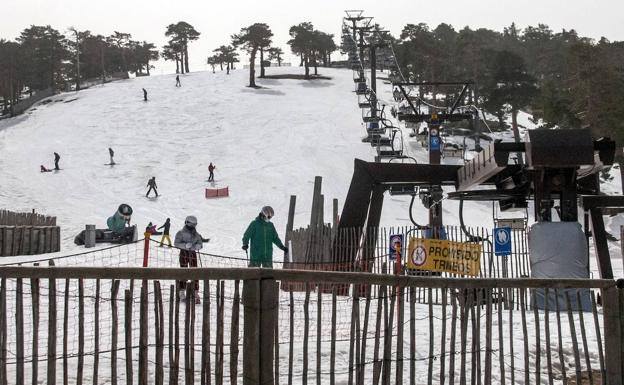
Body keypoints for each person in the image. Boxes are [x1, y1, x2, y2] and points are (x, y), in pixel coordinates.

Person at [174, 216, 204, 303]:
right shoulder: (180, 233)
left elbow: (200, 243)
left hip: (193, 253)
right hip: (184, 253)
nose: (193, 226)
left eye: (194, 224)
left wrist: (197, 246)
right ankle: (182, 292)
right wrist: (185, 246)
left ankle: (195, 292)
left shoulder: (196, 234)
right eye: (191, 224)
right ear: (187, 223)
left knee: (195, 271)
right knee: (184, 271)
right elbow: (176, 243)